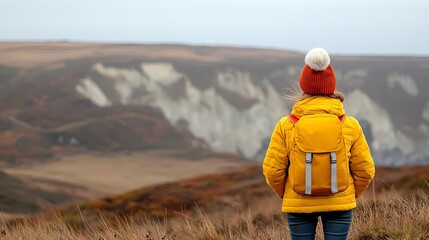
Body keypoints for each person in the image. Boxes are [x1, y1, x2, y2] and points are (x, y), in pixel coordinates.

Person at [262, 48, 375, 240]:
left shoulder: (286, 125)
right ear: (331, 87)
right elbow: (365, 170)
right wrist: (348, 194)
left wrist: (289, 193)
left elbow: (273, 170)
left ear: (304, 86)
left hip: (299, 204)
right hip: (339, 204)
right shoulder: (350, 125)